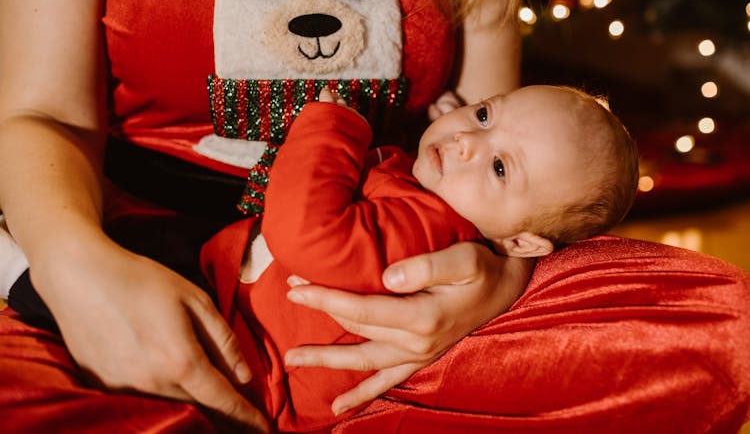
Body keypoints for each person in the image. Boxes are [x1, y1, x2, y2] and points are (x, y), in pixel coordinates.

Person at [0, 0, 747, 433]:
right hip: (122, 236)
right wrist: (73, 265)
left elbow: (509, 166)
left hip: (386, 245)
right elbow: (37, 113)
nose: (472, 130)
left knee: (722, 328)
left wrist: (496, 285)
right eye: (476, 121)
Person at [198, 84, 639, 432]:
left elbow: (305, 235)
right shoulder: (436, 197)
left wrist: (330, 129)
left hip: (241, 360)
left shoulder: (428, 230)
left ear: (521, 244)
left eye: (500, 167)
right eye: (484, 115)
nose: (467, 139)